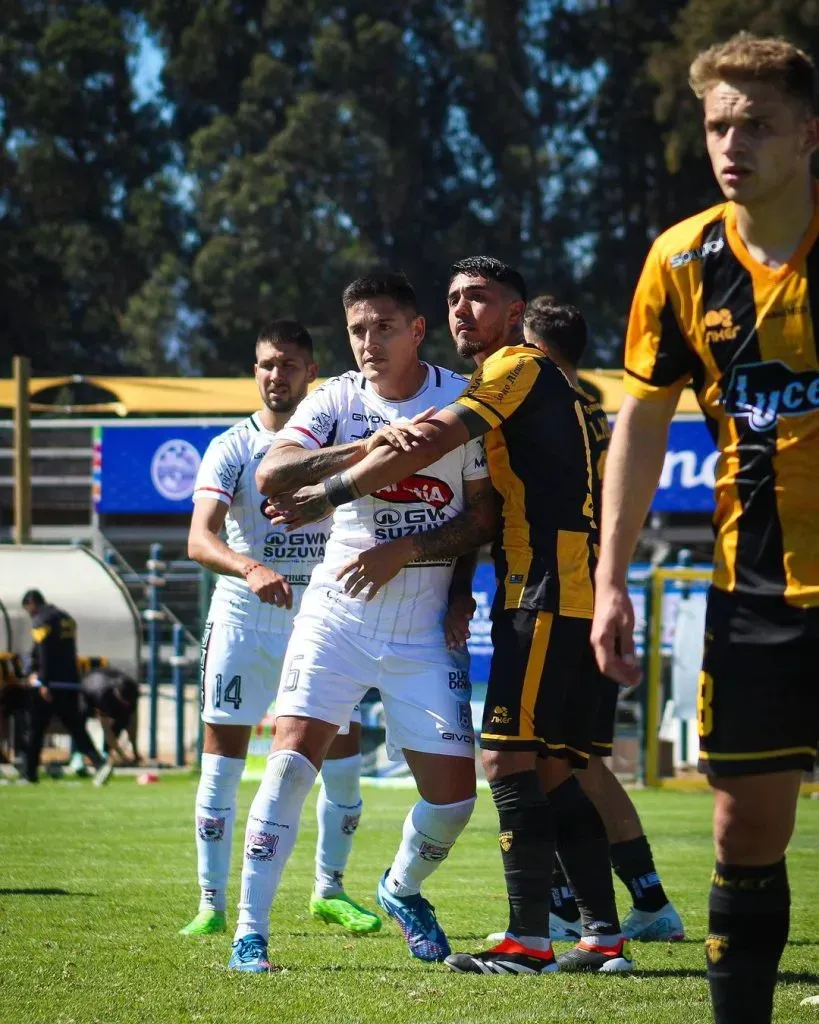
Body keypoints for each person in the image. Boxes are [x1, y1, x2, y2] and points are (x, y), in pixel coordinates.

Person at [271, 257, 634, 976]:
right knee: (555, 767)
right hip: (549, 587)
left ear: (515, 310)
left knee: (504, 756)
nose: (463, 311)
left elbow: (429, 440)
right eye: (454, 299)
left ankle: (529, 940)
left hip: (543, 589)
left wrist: (329, 494)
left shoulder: (515, 367)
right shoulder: (543, 379)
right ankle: (601, 934)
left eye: (479, 299)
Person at [590, 34, 819, 1024]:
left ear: (808, 134)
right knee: (741, 828)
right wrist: (609, 580)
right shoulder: (679, 261)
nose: (733, 144)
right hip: (755, 592)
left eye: (756, 124)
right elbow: (639, 426)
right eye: (719, 124)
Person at [228, 271, 495, 973]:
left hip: (421, 627)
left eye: (383, 327)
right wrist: (366, 450)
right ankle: (249, 933)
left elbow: (482, 517)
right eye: (356, 330)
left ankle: (399, 889)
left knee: (454, 802)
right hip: (336, 616)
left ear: (415, 331)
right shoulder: (336, 399)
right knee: (288, 765)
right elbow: (272, 475)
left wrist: (410, 552)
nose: (368, 342)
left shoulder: (461, 403)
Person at [180, 319, 379, 939]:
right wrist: (249, 567)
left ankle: (331, 891)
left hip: (317, 620)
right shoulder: (232, 447)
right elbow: (199, 538)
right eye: (267, 364)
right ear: (255, 370)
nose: (277, 375)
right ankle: (213, 902)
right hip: (242, 618)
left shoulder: (334, 444)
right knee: (221, 763)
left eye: (290, 364)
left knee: (340, 761)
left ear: (310, 373)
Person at [514, 295, 684, 943]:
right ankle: (647, 901)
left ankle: (568, 905)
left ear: (540, 353)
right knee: (580, 761)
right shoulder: (599, 419)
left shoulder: (550, 415)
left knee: (542, 761)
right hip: (590, 601)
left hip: (564, 603)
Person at [20, 590, 111, 786]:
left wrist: (43, 681)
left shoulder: (42, 619)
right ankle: (99, 763)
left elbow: (43, 651)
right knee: (77, 728)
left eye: (28, 609)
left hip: (49, 684)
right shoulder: (66, 618)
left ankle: (29, 774)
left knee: (35, 729)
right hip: (70, 682)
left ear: (32, 603)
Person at [80, 667, 140, 765]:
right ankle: (94, 755)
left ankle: (109, 752)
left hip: (106, 685)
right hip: (88, 690)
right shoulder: (103, 696)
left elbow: (132, 722)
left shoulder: (133, 692)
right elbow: (107, 730)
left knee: (123, 720)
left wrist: (135, 752)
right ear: (118, 695)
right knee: (79, 722)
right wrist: (122, 756)